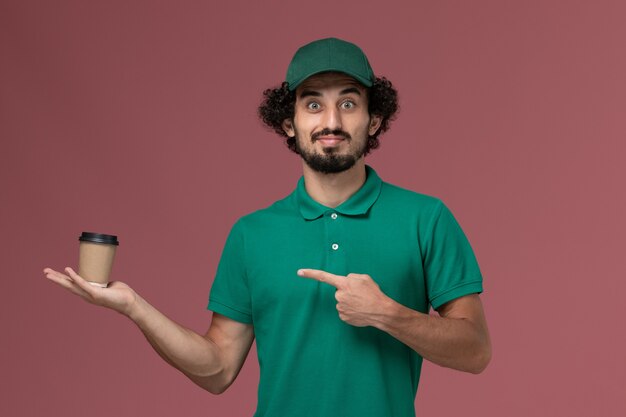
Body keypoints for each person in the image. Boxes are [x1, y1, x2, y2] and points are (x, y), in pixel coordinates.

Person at [44, 37, 491, 417]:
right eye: (313, 104)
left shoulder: (425, 218)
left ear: (373, 120)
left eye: (348, 104)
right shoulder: (251, 235)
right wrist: (134, 307)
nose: (331, 122)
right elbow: (218, 368)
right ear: (289, 123)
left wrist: (386, 313)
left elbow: (475, 350)